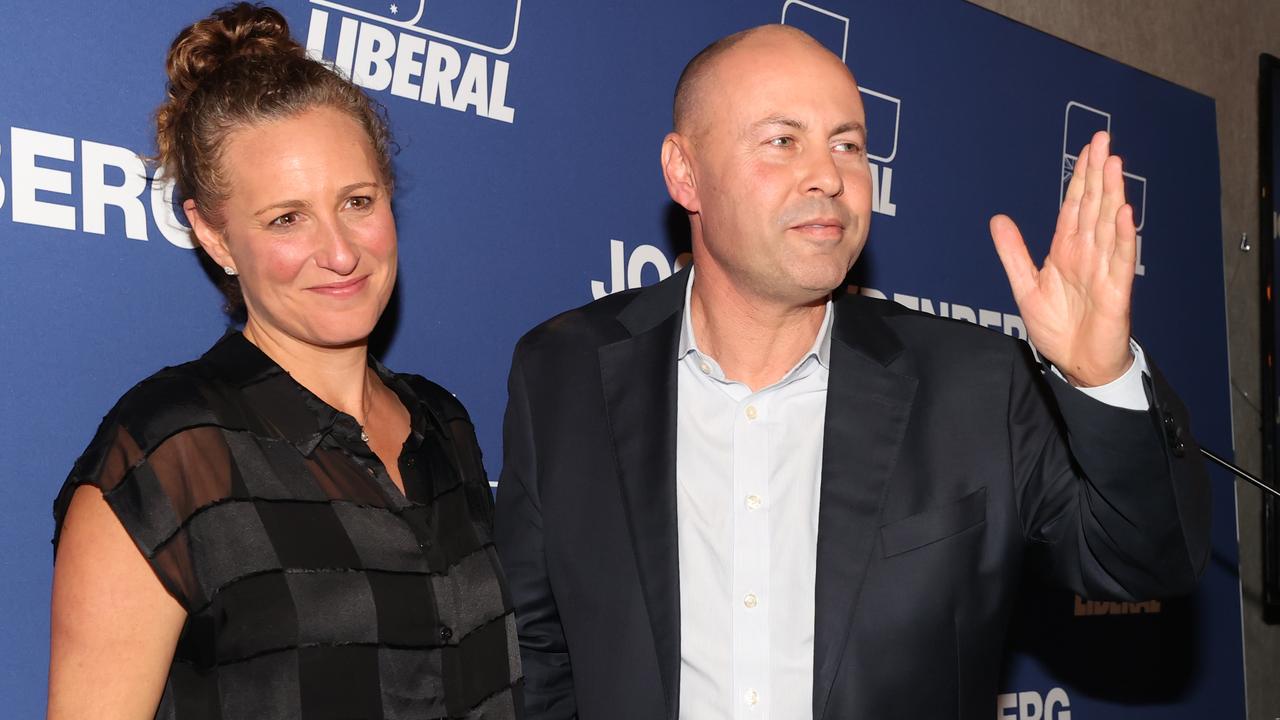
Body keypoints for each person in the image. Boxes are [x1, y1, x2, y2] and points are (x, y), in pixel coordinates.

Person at [493, 24, 1209, 720]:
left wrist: (1102, 376)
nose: (828, 176)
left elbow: (1144, 563)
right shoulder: (562, 374)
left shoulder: (975, 383)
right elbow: (537, 651)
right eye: (783, 140)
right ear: (685, 172)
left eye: (848, 144)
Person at [47, 5, 520, 718]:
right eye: (287, 218)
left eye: (358, 201)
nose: (340, 252)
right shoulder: (164, 457)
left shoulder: (441, 424)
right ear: (214, 235)